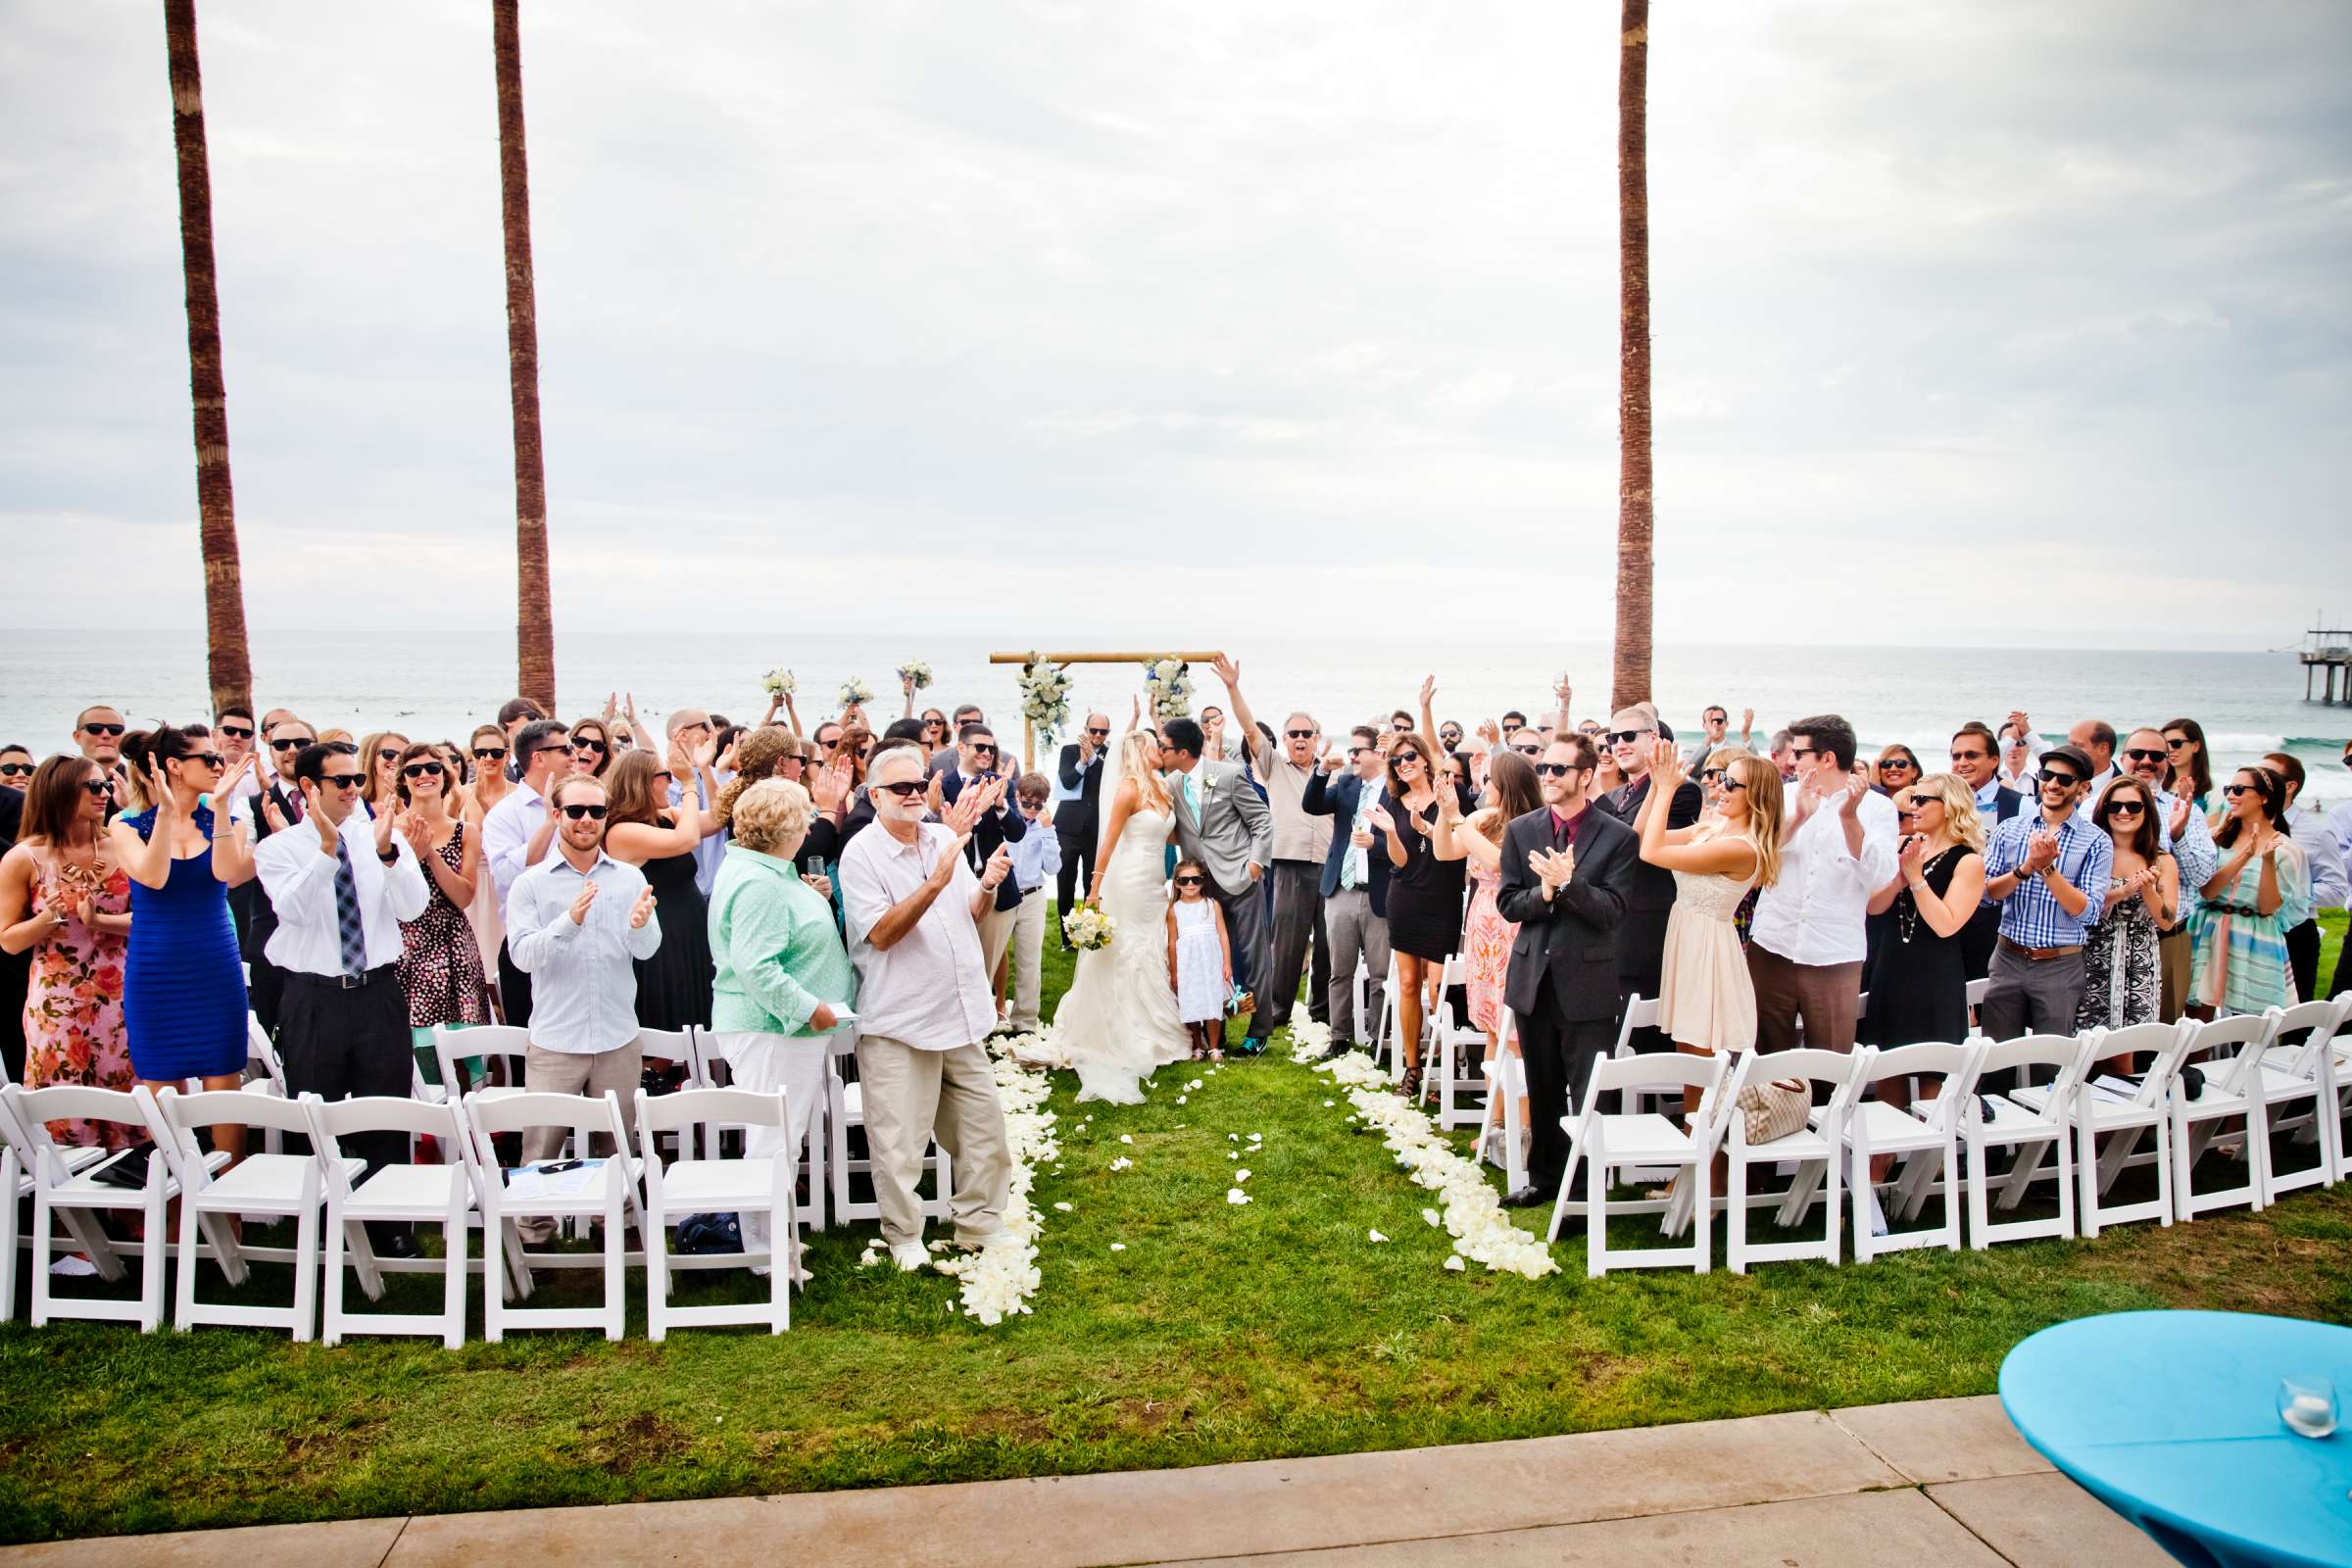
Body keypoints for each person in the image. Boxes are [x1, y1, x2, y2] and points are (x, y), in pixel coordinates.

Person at [838, 746, 1017, 1268]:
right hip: (901, 1018)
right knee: (900, 1142)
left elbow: (969, 911)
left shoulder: (940, 837)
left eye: (920, 785)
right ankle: (905, 1237)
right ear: (875, 796)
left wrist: (984, 885)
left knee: (984, 1131)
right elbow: (883, 934)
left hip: (960, 1013)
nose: (916, 794)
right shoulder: (861, 854)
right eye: (902, 789)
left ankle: (979, 1227)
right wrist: (935, 880)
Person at [253, 740, 431, 1250]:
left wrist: (388, 854)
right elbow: (294, 911)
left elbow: (413, 907)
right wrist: (328, 855)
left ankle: (391, 1225)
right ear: (310, 787)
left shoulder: (380, 835)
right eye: (342, 782)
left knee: (386, 1110)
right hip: (313, 997)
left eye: (357, 780)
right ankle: (325, 1224)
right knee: (315, 1109)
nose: (355, 789)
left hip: (377, 992)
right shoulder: (279, 849)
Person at [504, 773, 662, 1238]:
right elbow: (522, 956)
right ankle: (535, 1236)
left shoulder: (630, 876)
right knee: (541, 1147)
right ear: (557, 816)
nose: (586, 820)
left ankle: (617, 1229)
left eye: (596, 811)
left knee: (620, 1143)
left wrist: (640, 925)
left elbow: (647, 949)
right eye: (575, 811)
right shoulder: (530, 884)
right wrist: (569, 922)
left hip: (617, 1033)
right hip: (557, 1037)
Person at [706, 778, 853, 1270]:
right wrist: (810, 1008)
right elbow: (757, 965)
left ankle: (770, 1239)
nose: (812, 823)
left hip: (781, 1028)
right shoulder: (757, 882)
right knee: (774, 1140)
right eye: (806, 815)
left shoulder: (769, 871)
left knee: (781, 1138)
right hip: (772, 1027)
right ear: (786, 827)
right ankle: (765, 1253)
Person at [1494, 735, 1636, 1209]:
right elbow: (1509, 902)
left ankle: (1586, 1193)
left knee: (1589, 1093)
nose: (1549, 777)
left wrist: (1570, 884)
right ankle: (1544, 1180)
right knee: (1544, 1086)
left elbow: (1613, 912)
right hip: (1534, 979)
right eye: (1544, 770)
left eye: (1559, 769)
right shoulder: (1521, 831)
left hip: (1589, 985)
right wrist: (1548, 894)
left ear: (1585, 776)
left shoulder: (1619, 837)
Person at [1038, 733, 1194, 1099]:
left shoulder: (1160, 786)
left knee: (1152, 944)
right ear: (1140, 752)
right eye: (1155, 745)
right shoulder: (1127, 789)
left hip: (1156, 878)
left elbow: (1166, 835)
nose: (1161, 750)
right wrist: (1094, 890)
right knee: (1129, 948)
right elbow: (1107, 841)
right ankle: (1127, 1027)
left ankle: (1156, 1022)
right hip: (1129, 880)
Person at [108, 725, 254, 1111]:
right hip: (156, 970)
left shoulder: (230, 821)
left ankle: (230, 1171)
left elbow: (225, 874)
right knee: (163, 1091)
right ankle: (176, 1170)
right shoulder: (124, 825)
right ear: (174, 765)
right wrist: (166, 814)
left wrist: (221, 808)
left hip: (214, 963)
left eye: (218, 758)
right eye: (208, 758)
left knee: (224, 1080)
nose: (218, 765)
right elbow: (153, 877)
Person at [1637, 740, 1781, 1124]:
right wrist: (1656, 786)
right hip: (1686, 939)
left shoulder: (1740, 847)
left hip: (1708, 951)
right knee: (1689, 1057)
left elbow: (1652, 853)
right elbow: (1641, 835)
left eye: (1733, 785)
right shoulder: (1712, 828)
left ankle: (1708, 1165)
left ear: (1757, 797)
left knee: (1704, 1062)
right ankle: (1692, 1161)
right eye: (1722, 780)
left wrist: (1668, 790)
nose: (1721, 789)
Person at [0, 756, 136, 1146]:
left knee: (129, 1105)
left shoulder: (122, 848)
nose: (105, 794)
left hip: (125, 996)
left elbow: (152, 921)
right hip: (57, 1004)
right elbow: (8, 939)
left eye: (106, 786)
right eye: (93, 787)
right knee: (64, 1112)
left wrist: (100, 922)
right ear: (59, 791)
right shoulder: (23, 857)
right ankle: (65, 1201)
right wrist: (48, 918)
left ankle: (134, 1201)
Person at [1746, 714, 1898, 1054]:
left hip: (1834, 955)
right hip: (1772, 945)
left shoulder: (1879, 808)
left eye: (1799, 754)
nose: (1790, 760)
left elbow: (1881, 875)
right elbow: (1755, 858)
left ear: (1827, 758)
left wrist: (1849, 820)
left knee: (1830, 1063)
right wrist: (1798, 818)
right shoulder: (1782, 796)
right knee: (1762, 1057)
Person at [1210, 657, 1333, 1043]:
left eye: (1306, 733)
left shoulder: (1333, 772)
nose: (1300, 739)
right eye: (1294, 733)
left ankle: (1322, 1011)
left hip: (1329, 868)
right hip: (1291, 865)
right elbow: (1249, 729)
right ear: (1286, 738)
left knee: (1329, 945)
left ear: (1317, 737)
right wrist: (1233, 687)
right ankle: (1278, 1009)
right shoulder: (1273, 765)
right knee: (1288, 942)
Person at [1442, 751, 1543, 1161]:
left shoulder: (1528, 824)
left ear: (1506, 784)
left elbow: (1496, 862)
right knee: (1491, 1027)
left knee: (1515, 1033)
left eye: (1488, 781)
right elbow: (1445, 853)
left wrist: (1457, 819)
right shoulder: (1485, 817)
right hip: (1482, 926)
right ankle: (1494, 1121)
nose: (1482, 787)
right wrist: (1446, 814)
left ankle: (1525, 1129)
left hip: (1511, 927)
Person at [1979, 744, 2114, 1041]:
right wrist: (2026, 868)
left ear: (2083, 787)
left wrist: (2048, 870)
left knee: (2049, 1061)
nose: (2053, 784)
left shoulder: (2096, 841)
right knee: (1996, 1056)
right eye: (2047, 775)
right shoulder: (2010, 829)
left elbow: (2089, 912)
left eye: (2065, 779)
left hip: (2060, 964)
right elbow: (1987, 895)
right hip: (2008, 956)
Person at [1596, 706, 1704, 1052]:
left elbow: (1636, 848)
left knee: (1641, 1042)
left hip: (1646, 935)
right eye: (1613, 738)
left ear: (1655, 739)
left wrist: (1661, 786)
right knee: (1608, 1041)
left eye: (1629, 736)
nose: (1619, 745)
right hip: (1607, 933)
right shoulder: (1611, 797)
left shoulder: (1682, 792)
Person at [1160, 717, 1273, 1035]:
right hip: (1201, 887)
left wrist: (1255, 865)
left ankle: (1259, 1030)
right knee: (1208, 956)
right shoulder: (1171, 784)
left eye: (1164, 746)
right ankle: (1215, 1032)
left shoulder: (1229, 774)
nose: (1161, 751)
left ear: (1182, 752)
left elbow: (1261, 821)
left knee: (1253, 955)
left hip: (1240, 878)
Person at [1365, 729, 1462, 1100]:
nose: (1403, 765)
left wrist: (1429, 824)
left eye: (1409, 757)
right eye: (1396, 760)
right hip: (1404, 896)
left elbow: (1457, 842)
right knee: (1407, 984)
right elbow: (1400, 861)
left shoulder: (1449, 796)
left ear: (1424, 758)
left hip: (1442, 899)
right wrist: (1391, 832)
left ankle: (1442, 1066)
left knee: (1439, 990)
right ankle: (1412, 1068)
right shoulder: (1393, 801)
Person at [1862, 773, 1986, 1051]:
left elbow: (1946, 925)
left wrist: (1917, 880)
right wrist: (1897, 883)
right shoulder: (1904, 845)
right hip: (1891, 966)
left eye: (1920, 799)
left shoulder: (1968, 861)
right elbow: (1873, 907)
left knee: (1933, 1071)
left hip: (1936, 974)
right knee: (1886, 1069)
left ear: (1950, 806)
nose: (1912, 807)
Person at [389, 741, 489, 1078]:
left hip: (453, 944)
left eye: (432, 768)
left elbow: (463, 896)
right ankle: (425, 1127)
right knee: (413, 1049)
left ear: (444, 776)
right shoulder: (386, 829)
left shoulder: (466, 831)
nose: (424, 776)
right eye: (414, 770)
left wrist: (430, 854)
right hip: (406, 944)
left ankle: (463, 1124)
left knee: (461, 1054)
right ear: (404, 779)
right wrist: (410, 857)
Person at [600, 750, 719, 1032]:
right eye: (665, 775)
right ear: (641, 782)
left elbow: (717, 819)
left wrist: (704, 770)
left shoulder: (665, 816)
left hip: (691, 931)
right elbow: (687, 839)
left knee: (699, 1015)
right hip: (662, 939)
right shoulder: (621, 832)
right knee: (671, 1022)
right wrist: (689, 784)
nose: (670, 781)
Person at [2108, 726, 2217, 1022]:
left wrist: (2177, 836)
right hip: (2107, 935)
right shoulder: (2098, 805)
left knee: (2161, 1032)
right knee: (2101, 1033)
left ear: (2167, 762)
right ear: (2123, 757)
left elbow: (2204, 876)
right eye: (2137, 754)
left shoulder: (2187, 811)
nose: (2146, 761)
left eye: (2156, 755)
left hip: (2167, 936)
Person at [1303, 726, 1395, 1055]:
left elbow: (1404, 842)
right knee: (1339, 969)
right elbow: (1312, 805)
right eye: (1351, 750)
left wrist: (1377, 845)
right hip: (1340, 890)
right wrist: (1321, 771)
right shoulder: (1345, 784)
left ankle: (1378, 1040)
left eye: (1358, 751)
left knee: (1381, 973)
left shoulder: (1395, 791)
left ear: (1378, 754)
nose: (1352, 756)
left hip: (1379, 893)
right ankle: (1339, 1037)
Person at [2188, 766, 2309, 1016]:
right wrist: (2244, 856)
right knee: (2195, 1021)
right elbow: (2207, 891)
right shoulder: (2217, 839)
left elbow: (2267, 907)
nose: (2231, 796)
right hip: (2207, 931)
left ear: (2265, 797)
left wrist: (2266, 860)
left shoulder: (2287, 850)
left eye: (2239, 790)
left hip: (2254, 939)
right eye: (2228, 790)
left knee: (2251, 1026)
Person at [481, 716, 569, 1025]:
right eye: (565, 749)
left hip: (578, 942)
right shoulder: (504, 815)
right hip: (527, 943)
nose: (574, 755)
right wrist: (549, 823)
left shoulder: (580, 806)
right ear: (539, 757)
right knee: (528, 1050)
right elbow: (505, 874)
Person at [2076, 775, 2175, 1049]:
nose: (2123, 812)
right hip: (2091, 951)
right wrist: (2122, 892)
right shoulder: (2090, 853)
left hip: (2139, 956)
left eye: (2133, 806)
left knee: (2129, 1044)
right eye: (2114, 806)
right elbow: (2077, 905)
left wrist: (2148, 890)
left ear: (2147, 810)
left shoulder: (2162, 859)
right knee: (2083, 1041)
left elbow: (2166, 921)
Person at [232, 714, 316, 1036]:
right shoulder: (250, 806)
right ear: (270, 750)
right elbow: (236, 875)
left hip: (328, 945)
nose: (292, 750)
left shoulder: (344, 801)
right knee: (275, 1038)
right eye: (282, 744)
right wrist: (280, 841)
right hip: (270, 941)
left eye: (302, 743)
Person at [939, 725, 1028, 998]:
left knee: (987, 963)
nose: (987, 753)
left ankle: (987, 1023)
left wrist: (1000, 806)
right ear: (961, 748)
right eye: (980, 747)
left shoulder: (1002, 783)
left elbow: (1018, 832)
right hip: (956, 887)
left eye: (991, 748)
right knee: (955, 964)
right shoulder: (943, 785)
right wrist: (979, 809)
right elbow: (943, 836)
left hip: (997, 887)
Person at [2263, 752, 2347, 1008]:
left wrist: (2289, 895)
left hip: (2295, 931)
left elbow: (2336, 889)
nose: (2260, 779)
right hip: (2252, 928)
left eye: (2268, 775)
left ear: (2290, 786)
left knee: (2295, 1016)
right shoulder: (2244, 825)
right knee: (2248, 1017)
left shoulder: (2316, 833)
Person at [1947, 721, 2028, 980]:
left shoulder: (2021, 805)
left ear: (1994, 760)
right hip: (1949, 916)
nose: (1962, 762)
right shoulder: (1940, 801)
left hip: (1998, 921)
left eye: (1971, 755)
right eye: (1956, 756)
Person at [1001, 773, 1060, 1034]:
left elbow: (1054, 867)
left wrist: (1048, 831)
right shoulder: (1004, 820)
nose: (1033, 810)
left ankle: (1024, 1022)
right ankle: (988, 1012)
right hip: (1003, 894)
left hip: (1033, 896)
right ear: (1017, 798)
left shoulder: (1045, 826)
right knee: (989, 957)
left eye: (1039, 805)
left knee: (1029, 961)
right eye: (1028, 804)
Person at [1166, 858, 1233, 1062]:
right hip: (1188, 964)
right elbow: (1172, 943)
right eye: (1184, 880)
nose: (1190, 884)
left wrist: (1227, 963)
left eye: (1195, 879)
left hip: (1211, 962)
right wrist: (1175, 971)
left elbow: (1223, 935)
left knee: (1212, 1001)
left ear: (1203, 880)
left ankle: (1214, 1046)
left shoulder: (1212, 905)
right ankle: (1197, 1045)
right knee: (1191, 1002)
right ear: (1176, 883)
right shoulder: (1174, 910)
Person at [1054, 713, 1111, 949]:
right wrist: (1081, 762)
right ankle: (1067, 938)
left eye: (1102, 732)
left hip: (1095, 830)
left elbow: (1105, 782)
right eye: (1093, 730)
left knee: (1092, 883)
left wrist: (1093, 759)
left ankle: (1091, 934)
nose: (1097, 736)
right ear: (1085, 729)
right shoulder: (1069, 751)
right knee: (1065, 883)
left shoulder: (1110, 756)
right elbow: (1066, 781)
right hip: (1068, 827)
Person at [2162, 718, 2215, 811]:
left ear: (2195, 746)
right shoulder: (2157, 785)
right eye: (2165, 744)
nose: (2170, 749)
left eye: (2176, 743)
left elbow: (2209, 825)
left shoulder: (2212, 791)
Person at [356, 730, 410, 819]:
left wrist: (400, 807)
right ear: (371, 757)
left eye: (404, 756)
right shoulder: (355, 802)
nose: (396, 760)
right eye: (389, 754)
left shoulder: (417, 800)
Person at [565, 716, 616, 781]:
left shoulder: (608, 789)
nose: (588, 750)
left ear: (604, 755)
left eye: (597, 746)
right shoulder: (552, 785)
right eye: (581, 742)